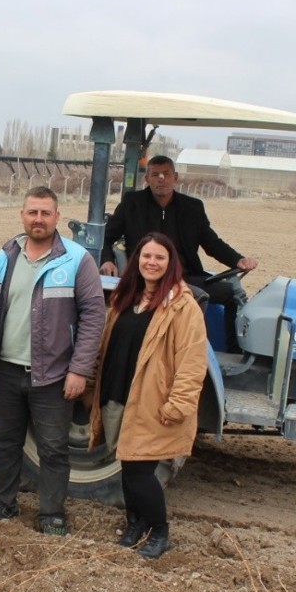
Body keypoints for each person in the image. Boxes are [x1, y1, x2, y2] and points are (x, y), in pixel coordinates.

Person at [0, 187, 105, 535]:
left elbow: (94, 317)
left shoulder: (77, 260)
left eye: (45, 213)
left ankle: (51, 513)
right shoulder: (5, 255)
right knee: (6, 442)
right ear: (22, 215)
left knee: (53, 448)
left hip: (52, 375)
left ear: (57, 217)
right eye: (32, 212)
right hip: (6, 369)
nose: (38, 219)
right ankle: (2, 503)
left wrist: (79, 369)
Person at [88, 232, 207, 559]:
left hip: (153, 402)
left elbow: (192, 361)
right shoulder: (125, 296)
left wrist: (179, 404)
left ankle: (160, 531)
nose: (151, 263)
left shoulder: (183, 306)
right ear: (136, 261)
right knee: (127, 467)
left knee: (140, 473)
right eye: (146, 257)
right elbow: (107, 345)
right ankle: (135, 523)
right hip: (118, 393)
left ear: (170, 264)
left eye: (159, 258)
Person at [98, 155, 256, 348]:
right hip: (147, 277)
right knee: (195, 297)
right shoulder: (132, 203)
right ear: (146, 179)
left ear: (176, 177)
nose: (161, 179)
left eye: (166, 174)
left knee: (231, 294)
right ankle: (188, 348)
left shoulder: (192, 208)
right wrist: (107, 260)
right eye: (155, 174)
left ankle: (232, 352)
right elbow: (106, 237)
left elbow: (212, 243)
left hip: (185, 276)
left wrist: (238, 260)